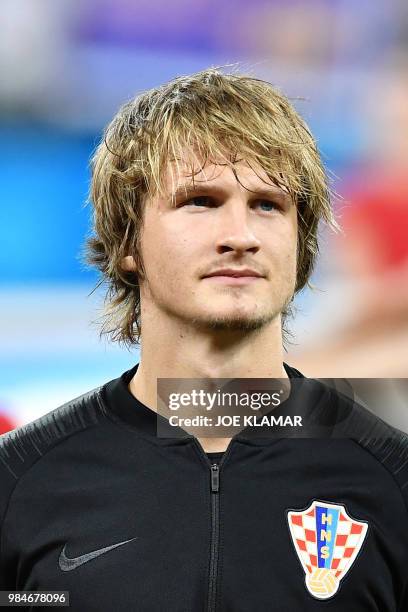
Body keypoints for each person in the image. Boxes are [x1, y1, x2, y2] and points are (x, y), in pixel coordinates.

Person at [0, 69, 407, 611]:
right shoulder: (21, 480)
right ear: (128, 244)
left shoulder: (394, 481)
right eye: (200, 201)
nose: (240, 237)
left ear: (300, 250)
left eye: (268, 205)